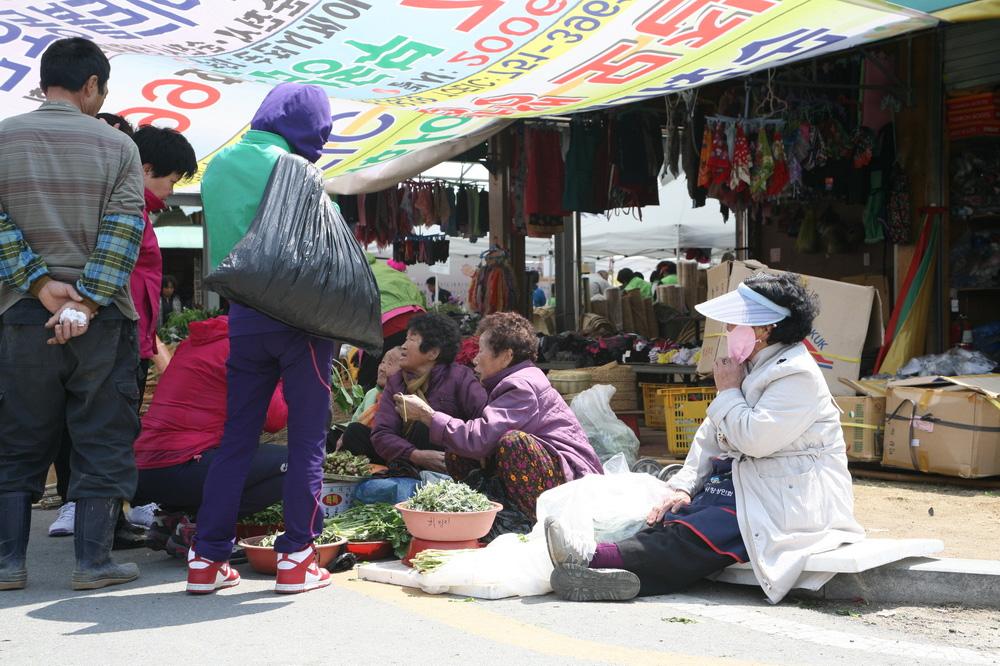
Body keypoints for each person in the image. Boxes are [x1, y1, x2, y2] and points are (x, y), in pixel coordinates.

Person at [545, 273, 864, 602]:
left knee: (702, 533)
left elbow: (754, 439)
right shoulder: (753, 366)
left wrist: (727, 390)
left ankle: (593, 559)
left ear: (765, 329)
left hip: (786, 497)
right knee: (670, 517)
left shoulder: (797, 375)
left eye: (734, 324)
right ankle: (615, 572)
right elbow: (711, 434)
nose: (727, 331)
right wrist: (683, 486)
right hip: (747, 484)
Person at [0, 38, 145, 591]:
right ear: (92, 86)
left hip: (19, 316)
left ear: (45, 81)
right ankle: (93, 563)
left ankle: (8, 563)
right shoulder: (117, 147)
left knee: (16, 438)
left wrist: (39, 285)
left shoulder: (3, 136)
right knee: (101, 438)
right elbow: (122, 231)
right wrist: (84, 300)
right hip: (103, 320)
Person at [190, 83, 338, 595]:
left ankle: (205, 560)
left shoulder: (219, 165)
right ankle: (298, 557)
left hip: (245, 320)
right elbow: (327, 242)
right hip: (301, 324)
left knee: (235, 440)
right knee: (306, 440)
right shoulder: (297, 169)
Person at [48, 116, 197, 539]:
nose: (171, 190)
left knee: (108, 430)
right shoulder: (126, 209)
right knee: (108, 432)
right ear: (145, 170)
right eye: (170, 179)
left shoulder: (141, 211)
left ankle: (109, 518)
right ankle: (103, 526)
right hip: (116, 337)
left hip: (130, 337)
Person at [394, 312, 603, 521]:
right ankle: (495, 512)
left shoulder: (521, 385)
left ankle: (533, 521)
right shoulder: (512, 381)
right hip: (555, 477)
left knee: (513, 443)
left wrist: (427, 415)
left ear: (506, 356)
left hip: (572, 484)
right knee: (457, 449)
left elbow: (480, 440)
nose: (475, 359)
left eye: (481, 351)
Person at [131, 316, 288, 556]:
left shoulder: (200, 341)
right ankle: (200, 529)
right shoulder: (250, 349)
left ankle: (170, 519)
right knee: (299, 463)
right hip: (183, 464)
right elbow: (275, 420)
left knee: (228, 452)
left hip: (145, 468)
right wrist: (284, 375)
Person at [372, 313, 487, 473]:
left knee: (423, 425)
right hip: (409, 458)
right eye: (406, 339)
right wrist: (416, 455)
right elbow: (382, 432)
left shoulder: (459, 377)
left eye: (411, 339)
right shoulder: (396, 381)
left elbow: (483, 424)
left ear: (433, 353)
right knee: (355, 434)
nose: (403, 346)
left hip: (449, 462)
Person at [355, 254, 425, 391]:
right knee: (406, 370)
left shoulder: (353, 272)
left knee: (369, 376)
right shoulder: (385, 270)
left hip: (386, 322)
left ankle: (366, 407)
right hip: (417, 320)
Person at [336, 346, 404, 464]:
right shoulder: (371, 393)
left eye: (390, 364)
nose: (382, 368)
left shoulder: (401, 398)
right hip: (361, 438)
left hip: (381, 447)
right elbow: (355, 419)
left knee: (354, 432)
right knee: (332, 435)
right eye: (382, 362)